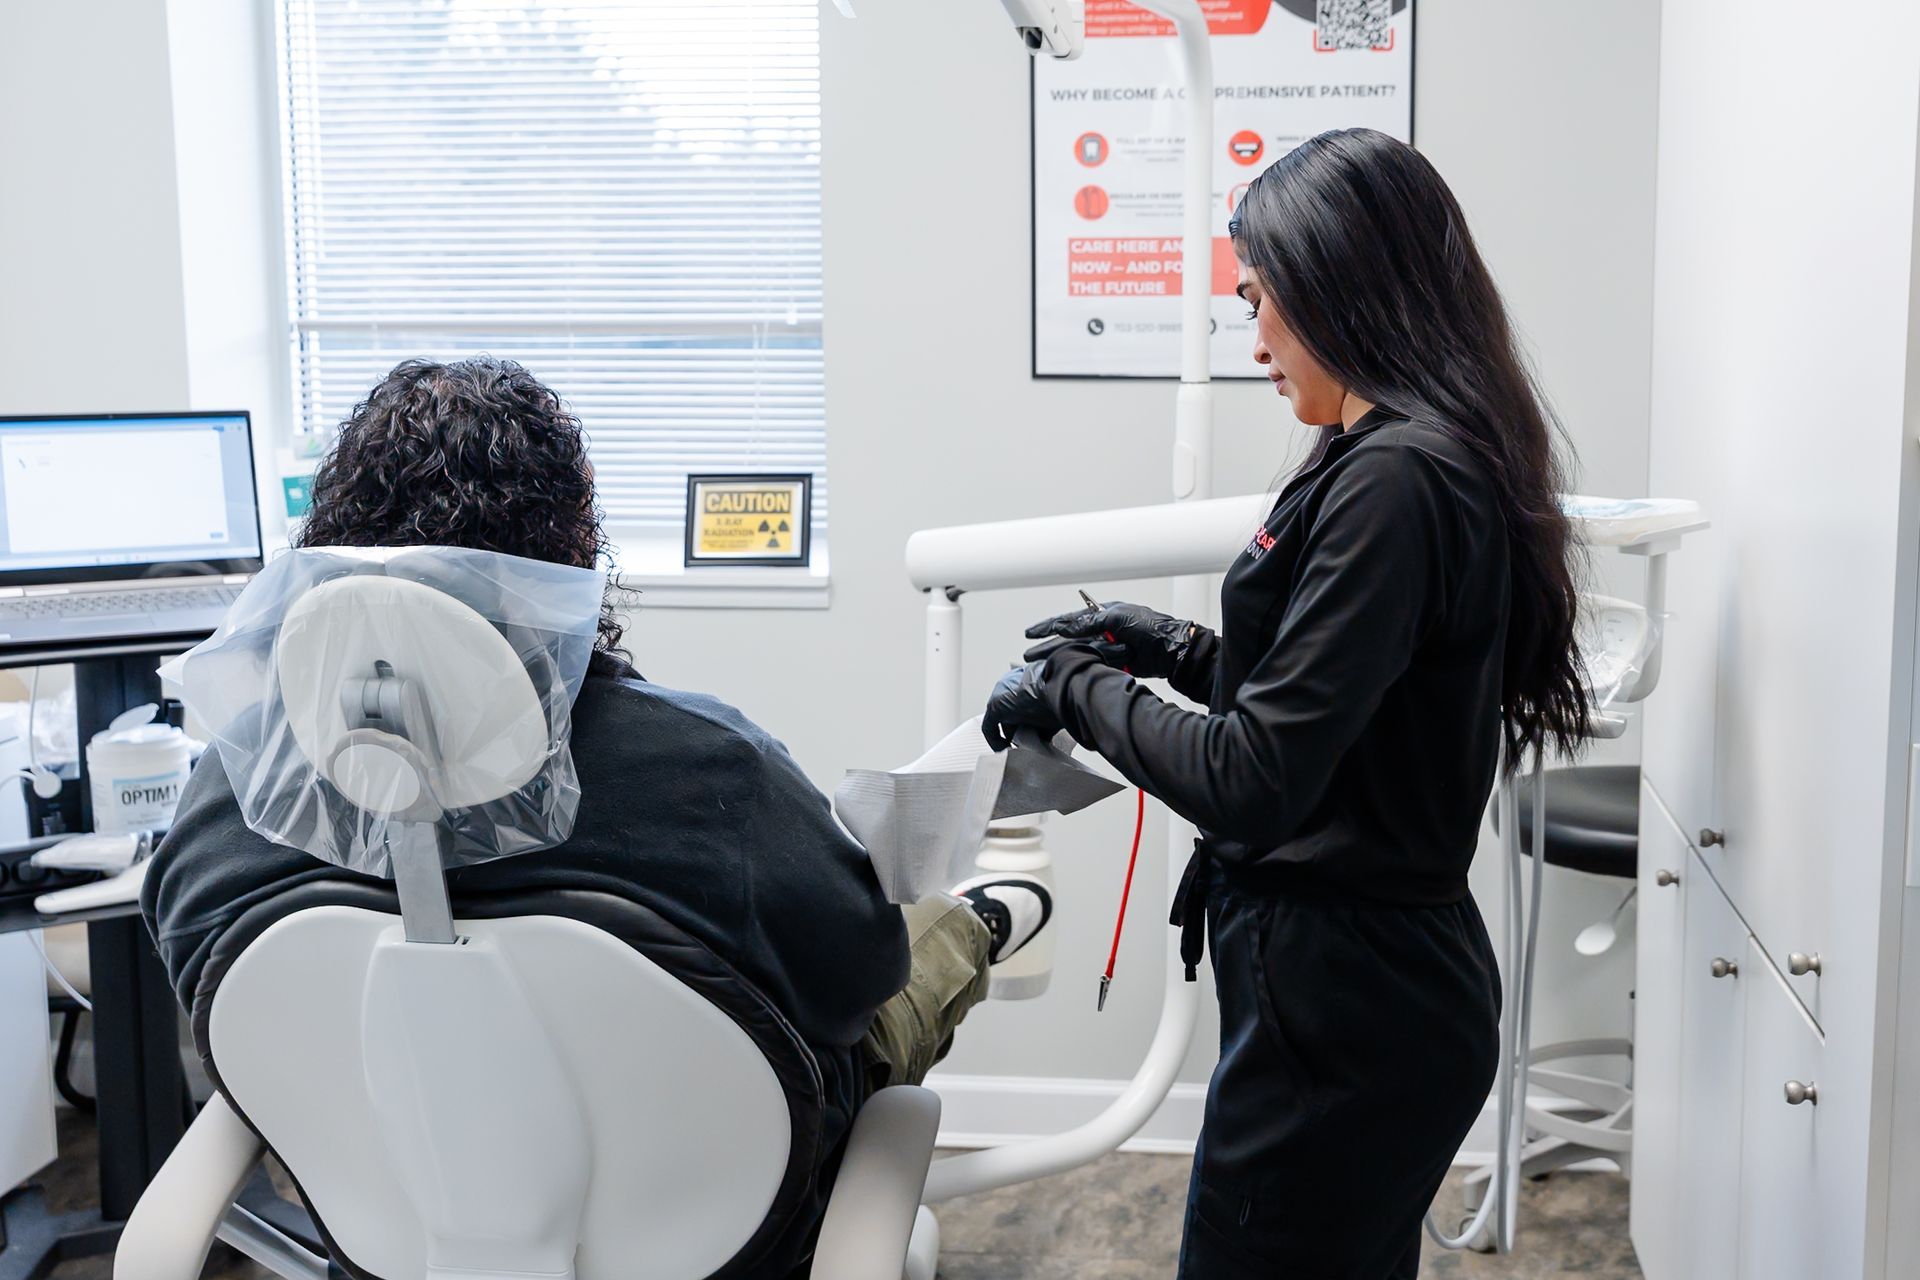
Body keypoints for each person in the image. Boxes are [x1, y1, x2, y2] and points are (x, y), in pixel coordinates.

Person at [141, 356, 1050, 1278]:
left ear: (330, 547)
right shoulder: (710, 772)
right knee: (918, 947)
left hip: (399, 1227)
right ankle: (980, 919)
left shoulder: (240, 784)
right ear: (572, 551)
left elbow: (205, 980)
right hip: (724, 1239)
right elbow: (856, 979)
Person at [983, 128, 1591, 1278]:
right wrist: (1166, 649)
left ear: (1340, 283)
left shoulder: (1399, 477)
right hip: (1361, 993)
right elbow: (1343, 701)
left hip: (1348, 1014)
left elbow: (1257, 776)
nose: (1252, 338)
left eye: (1262, 300)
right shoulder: (1379, 452)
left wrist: (1076, 684)